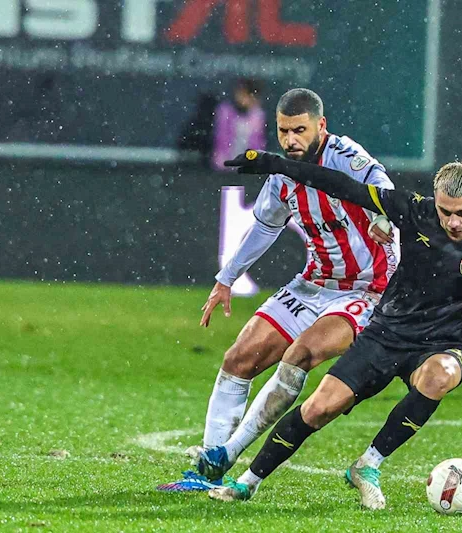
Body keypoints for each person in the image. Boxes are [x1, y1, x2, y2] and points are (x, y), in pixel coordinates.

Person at [206, 151, 462, 509]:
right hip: (385, 333)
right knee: (319, 408)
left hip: (444, 344)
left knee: (440, 375)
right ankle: (246, 483)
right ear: (434, 201)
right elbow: (342, 185)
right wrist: (274, 164)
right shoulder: (415, 210)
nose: (453, 222)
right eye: (445, 211)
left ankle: (368, 464)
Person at [157, 88, 399, 492]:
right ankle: (205, 471)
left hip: (367, 289)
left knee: (300, 354)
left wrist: (383, 218)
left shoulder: (345, 156)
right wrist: (226, 278)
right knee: (238, 359)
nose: (290, 140)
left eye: (300, 130)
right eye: (284, 131)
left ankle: (228, 454)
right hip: (314, 282)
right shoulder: (283, 174)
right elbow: (265, 227)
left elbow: (385, 189)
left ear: (321, 126)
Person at [211, 79, 267, 171]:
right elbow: (221, 139)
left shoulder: (257, 115)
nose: (242, 98)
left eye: (246, 95)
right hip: (224, 166)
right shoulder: (225, 111)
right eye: (241, 94)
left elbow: (258, 143)